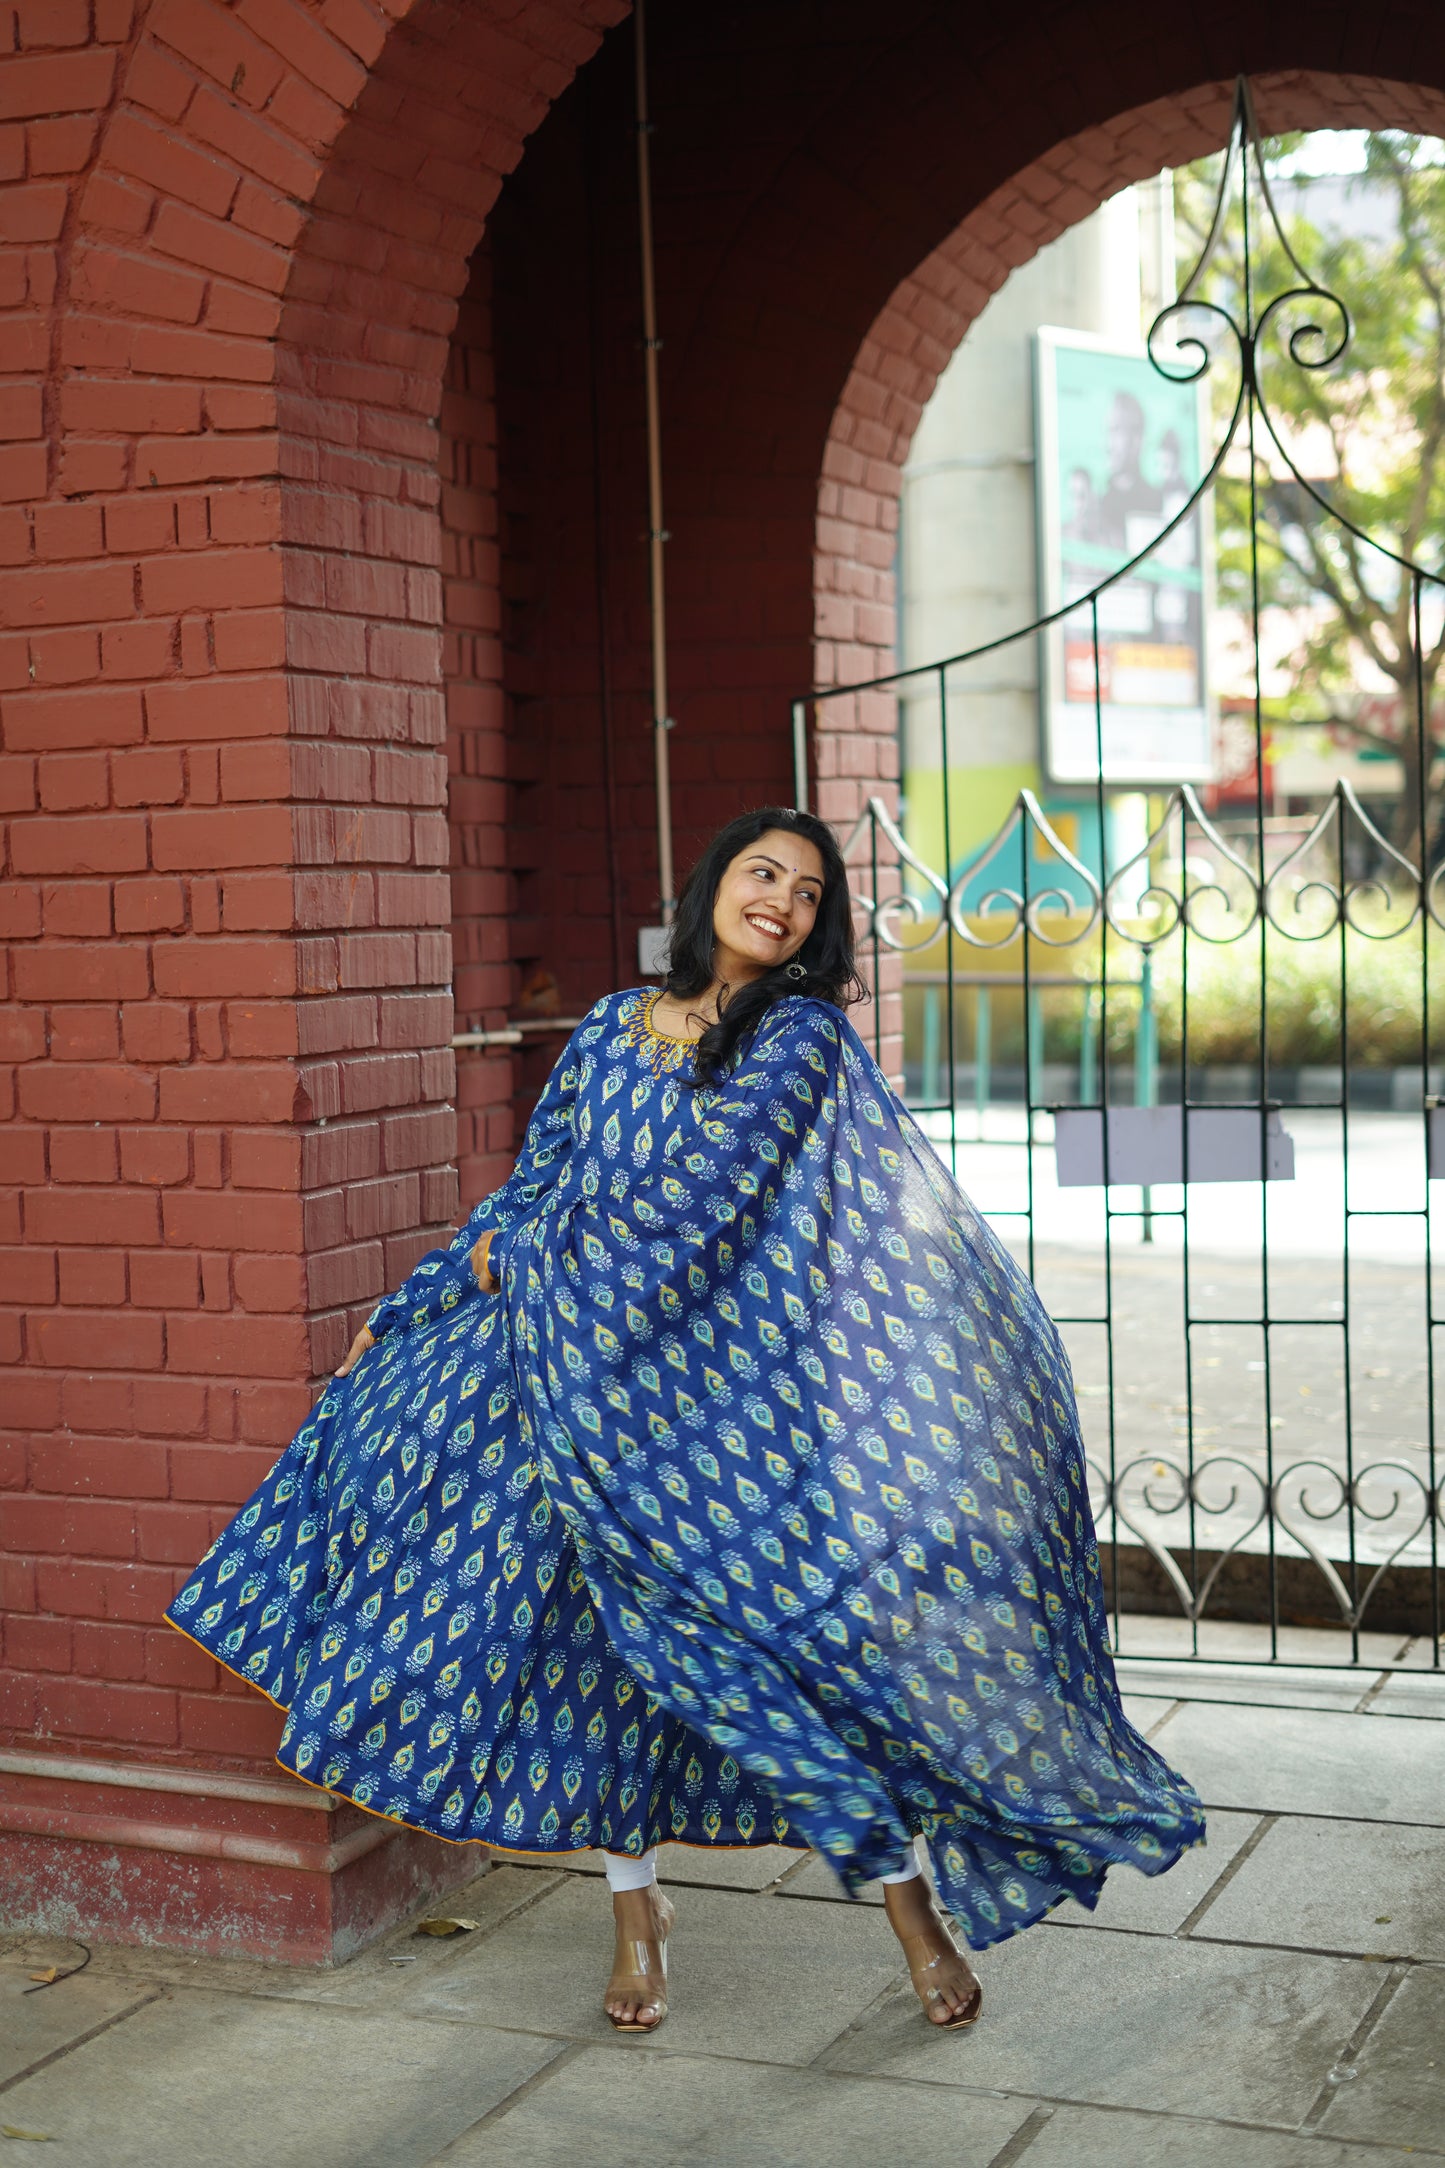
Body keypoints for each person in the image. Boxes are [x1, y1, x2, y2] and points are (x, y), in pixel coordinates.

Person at [168, 806, 1204, 2033]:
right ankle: (635, 1916)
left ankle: (910, 1906)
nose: (781, 898)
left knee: (790, 1662)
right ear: (711, 883)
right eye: (762, 872)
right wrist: (419, 1299)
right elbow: (535, 1182)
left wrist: (527, 1255)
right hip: (567, 1383)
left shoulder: (797, 1040)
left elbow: (693, 1208)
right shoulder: (611, 1023)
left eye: (809, 892)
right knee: (594, 1661)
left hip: (726, 1421)